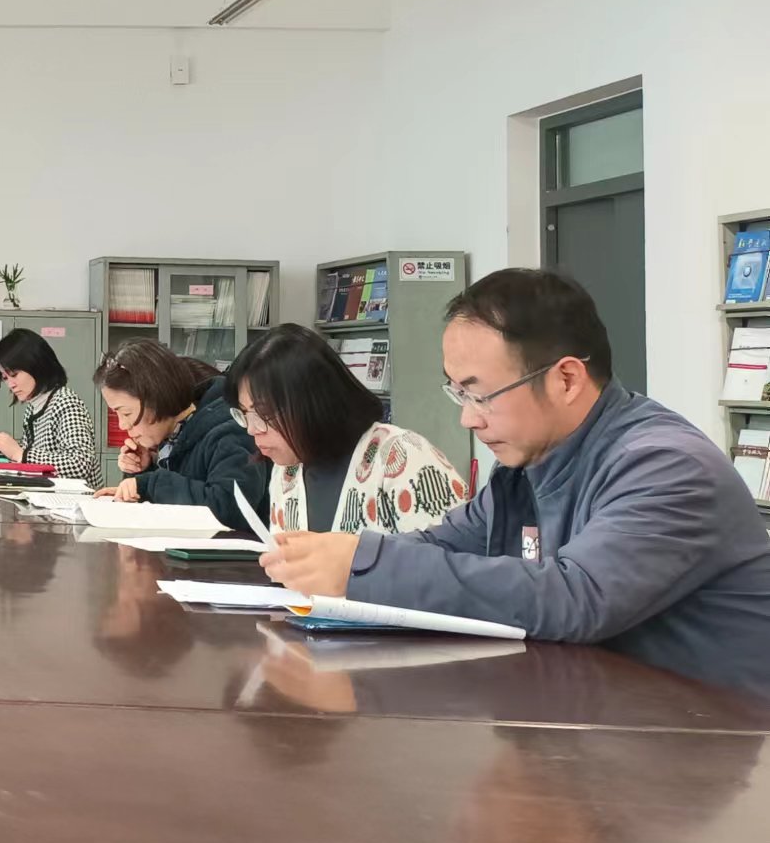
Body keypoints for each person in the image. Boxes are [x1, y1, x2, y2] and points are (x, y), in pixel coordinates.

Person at [262, 268, 770, 695]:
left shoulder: (668, 467)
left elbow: (576, 597)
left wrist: (364, 565)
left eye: (480, 394)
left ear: (566, 379)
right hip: (594, 720)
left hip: (706, 744)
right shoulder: (527, 467)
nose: (468, 419)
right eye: (458, 393)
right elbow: (443, 543)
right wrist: (336, 560)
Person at [223, 324, 468, 534]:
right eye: (245, 414)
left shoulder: (403, 456)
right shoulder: (286, 472)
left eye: (264, 414)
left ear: (313, 401)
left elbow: (446, 564)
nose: (252, 429)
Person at [93, 340, 266, 527]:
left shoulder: (230, 431)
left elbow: (231, 508)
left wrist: (149, 484)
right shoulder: (173, 437)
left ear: (157, 398)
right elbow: (182, 497)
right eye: (116, 414)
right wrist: (142, 471)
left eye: (126, 413)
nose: (122, 425)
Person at [0, 328, 103, 488]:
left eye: (14, 374)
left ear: (37, 365)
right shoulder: (35, 406)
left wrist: (21, 454)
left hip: (75, 500)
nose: (10, 384)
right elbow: (27, 457)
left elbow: (80, 464)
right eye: (5, 378)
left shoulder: (66, 403)